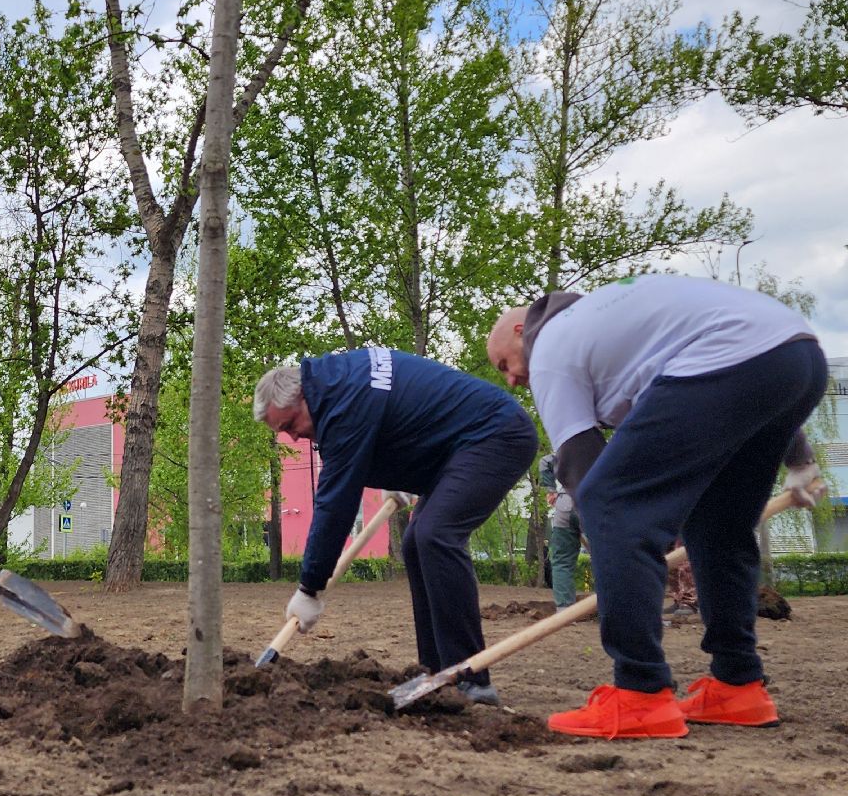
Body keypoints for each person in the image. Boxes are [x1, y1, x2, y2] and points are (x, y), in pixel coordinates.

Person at [487, 275, 826, 739]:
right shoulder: (612, 331)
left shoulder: (552, 349)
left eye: (504, 363)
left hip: (728, 361)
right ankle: (738, 685)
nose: (512, 379)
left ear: (523, 331)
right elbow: (758, 362)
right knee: (719, 526)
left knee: (609, 504)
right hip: (798, 357)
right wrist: (800, 461)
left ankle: (640, 693)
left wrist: (613, 533)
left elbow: (580, 462)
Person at [254, 348, 537, 706]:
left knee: (436, 535)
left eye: (290, 425)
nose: (293, 438)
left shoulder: (343, 403)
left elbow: (335, 504)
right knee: (416, 544)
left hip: (495, 435)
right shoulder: (338, 382)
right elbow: (400, 412)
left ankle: (470, 677)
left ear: (302, 396)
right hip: (453, 450)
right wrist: (399, 467)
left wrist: (309, 587)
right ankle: (434, 674)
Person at [537, 454, 583, 613]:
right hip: (592, 504)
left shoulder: (570, 446)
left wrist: (551, 490)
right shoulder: (606, 446)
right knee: (607, 558)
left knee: (562, 561)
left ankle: (564, 611)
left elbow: (544, 462)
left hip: (564, 504)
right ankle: (611, 608)